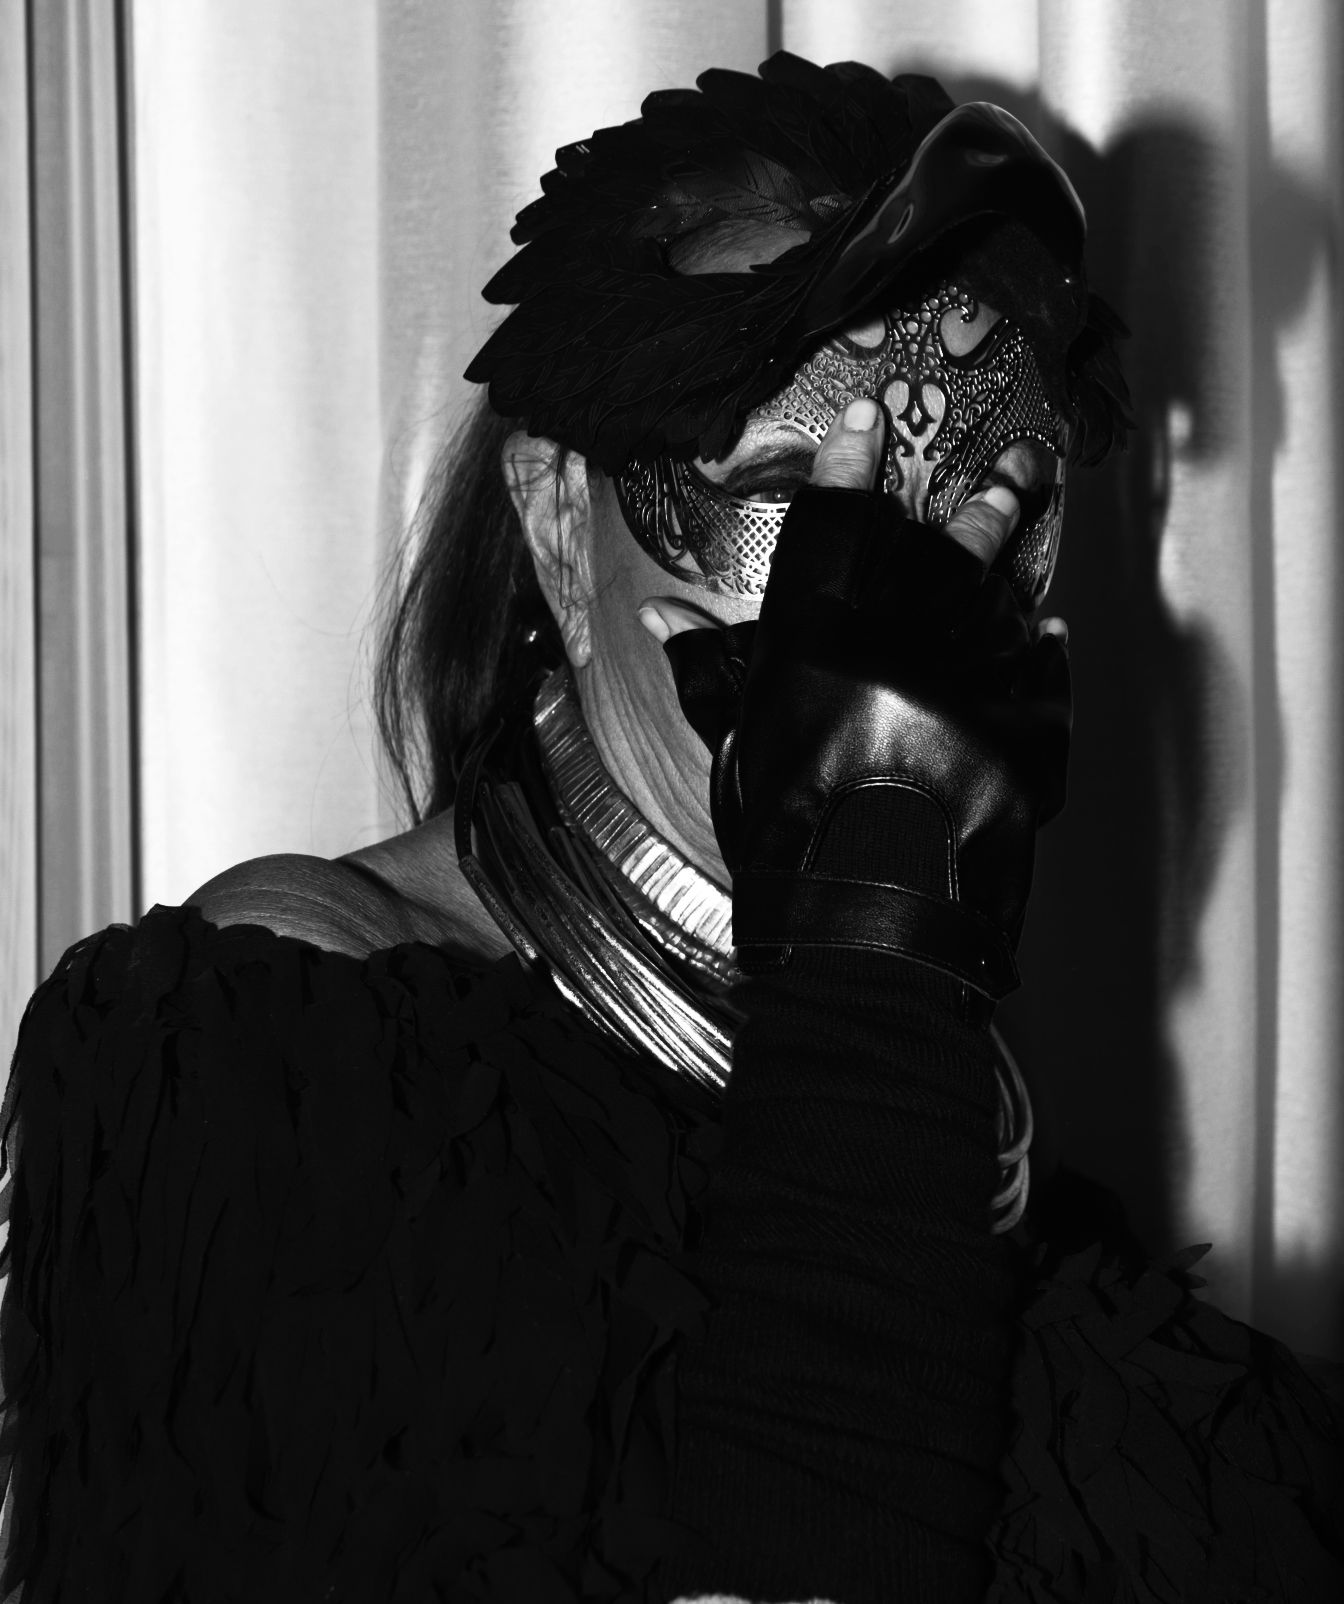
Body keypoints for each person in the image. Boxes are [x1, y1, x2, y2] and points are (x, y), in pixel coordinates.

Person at [1, 51, 1340, 1604]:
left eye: (992, 503)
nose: (903, 589)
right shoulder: (292, 1052)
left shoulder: (1030, 1216)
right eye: (800, 490)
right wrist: (872, 960)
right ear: (560, 526)